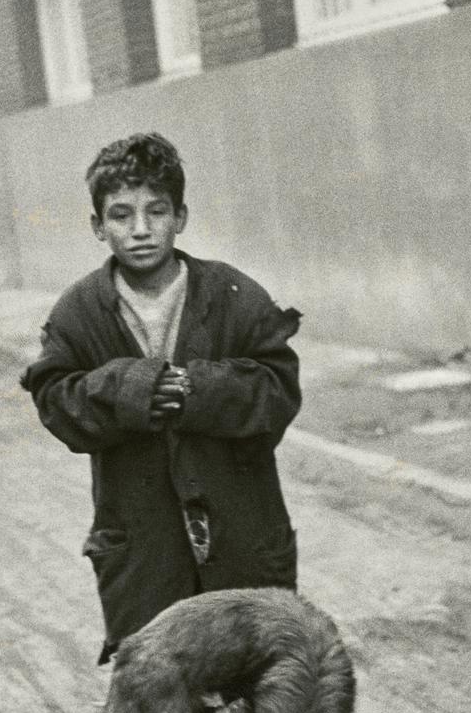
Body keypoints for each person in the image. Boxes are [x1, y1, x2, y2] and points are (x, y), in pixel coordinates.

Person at [21, 132, 302, 665]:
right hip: (145, 558)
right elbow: (56, 400)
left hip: (243, 542)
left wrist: (195, 390)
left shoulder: (233, 296)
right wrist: (132, 389)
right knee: (161, 702)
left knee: (257, 696)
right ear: (98, 227)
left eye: (157, 211)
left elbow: (278, 391)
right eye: (121, 215)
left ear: (181, 216)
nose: (141, 229)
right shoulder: (79, 312)